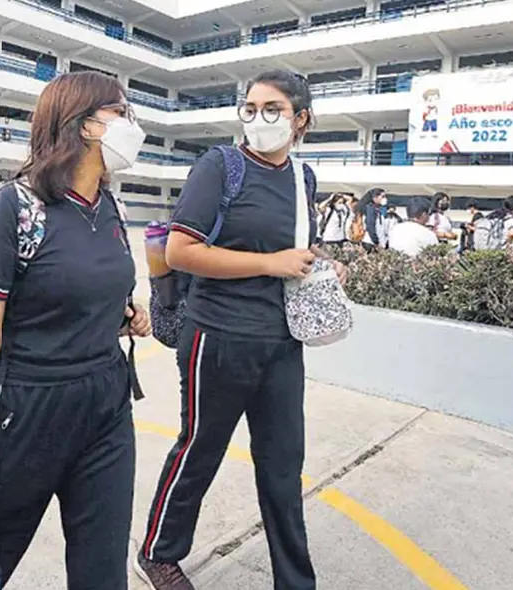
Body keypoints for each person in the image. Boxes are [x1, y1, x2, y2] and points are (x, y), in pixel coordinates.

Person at [0, 71, 152, 589]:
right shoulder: (16, 209)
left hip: (106, 406)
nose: (131, 125)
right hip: (25, 411)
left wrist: (122, 314)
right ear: (85, 125)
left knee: (103, 573)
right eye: (121, 112)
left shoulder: (110, 207)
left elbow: (83, 287)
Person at [136, 70, 340, 590]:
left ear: (302, 120)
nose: (258, 119)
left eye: (273, 109)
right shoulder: (220, 167)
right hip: (216, 336)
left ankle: (296, 581)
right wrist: (271, 263)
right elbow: (183, 251)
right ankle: (160, 552)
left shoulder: (303, 178)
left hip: (282, 341)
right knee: (200, 448)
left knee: (282, 465)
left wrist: (320, 266)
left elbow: (295, 248)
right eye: (250, 108)